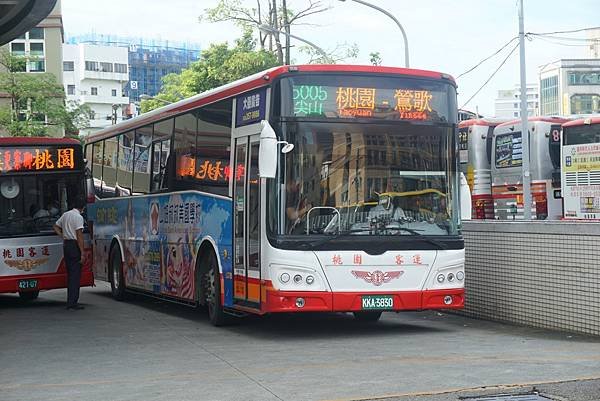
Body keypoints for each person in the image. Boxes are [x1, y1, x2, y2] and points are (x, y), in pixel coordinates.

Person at [53, 197, 86, 310]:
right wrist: (82, 252)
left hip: (66, 245)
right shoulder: (78, 217)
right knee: (75, 275)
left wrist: (63, 236)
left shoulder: (66, 214)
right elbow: (79, 236)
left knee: (70, 274)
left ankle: (70, 301)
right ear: (82, 207)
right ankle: (73, 302)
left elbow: (56, 226)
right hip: (74, 246)